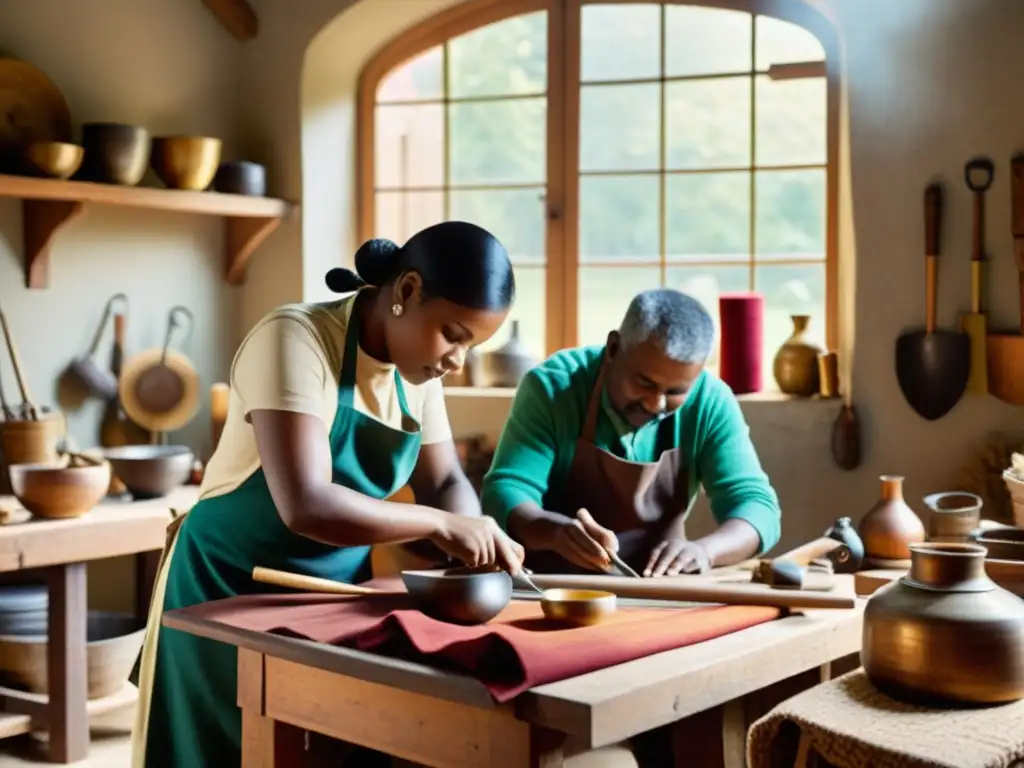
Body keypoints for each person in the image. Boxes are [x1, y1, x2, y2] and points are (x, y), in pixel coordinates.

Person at [132, 222, 525, 768]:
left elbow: (446, 482)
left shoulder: (418, 372)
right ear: (407, 292)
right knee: (225, 749)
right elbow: (306, 504)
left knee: (328, 748)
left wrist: (475, 546)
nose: (457, 359)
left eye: (473, 344)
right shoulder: (295, 338)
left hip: (331, 593)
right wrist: (440, 527)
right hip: (224, 584)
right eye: (453, 334)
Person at [481, 288, 781, 578]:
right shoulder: (554, 386)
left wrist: (706, 551)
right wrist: (555, 532)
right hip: (553, 587)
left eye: (675, 391)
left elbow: (757, 508)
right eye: (644, 383)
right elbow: (505, 491)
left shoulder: (710, 400)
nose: (655, 404)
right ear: (613, 348)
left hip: (657, 588)